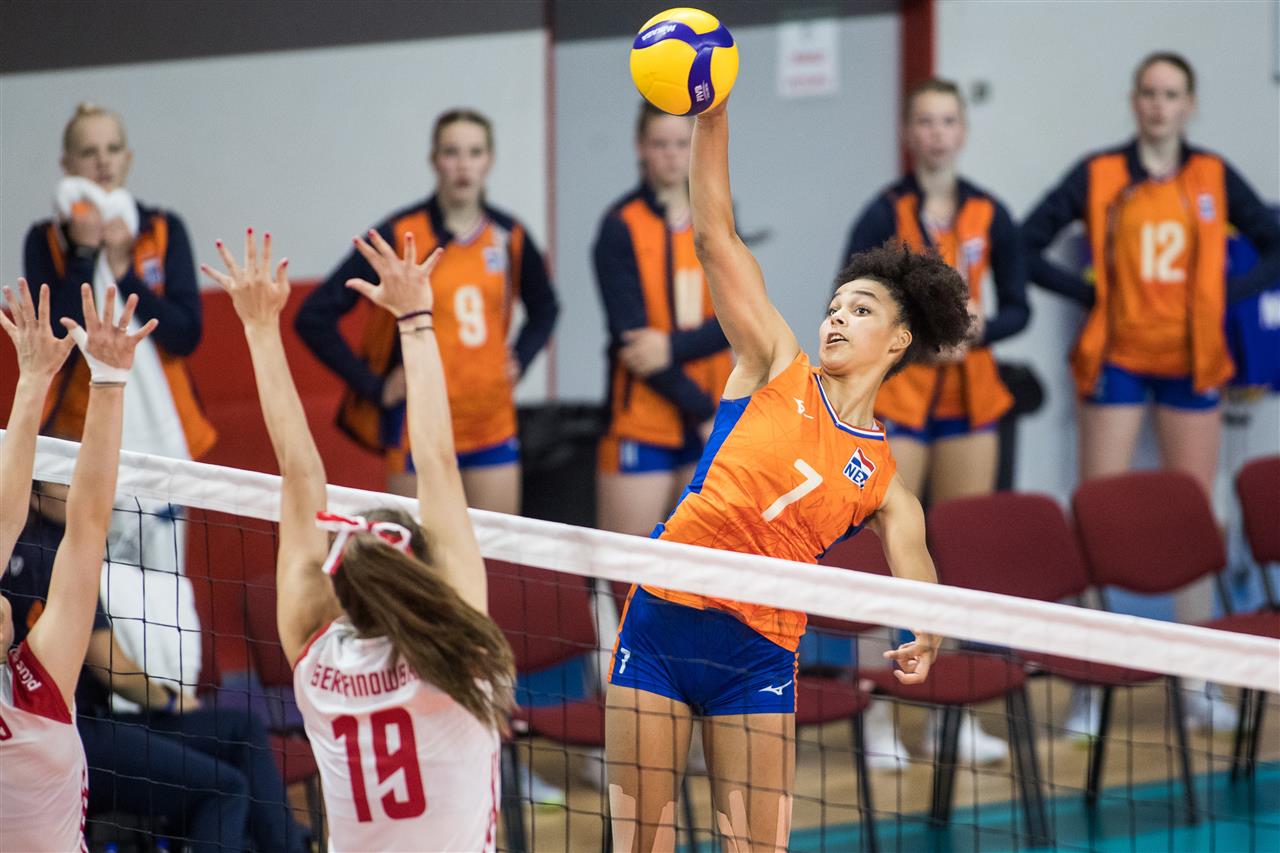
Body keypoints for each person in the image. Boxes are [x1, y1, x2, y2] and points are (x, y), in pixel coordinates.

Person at [604, 102, 970, 852]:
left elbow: (917, 567)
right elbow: (715, 238)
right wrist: (712, 115)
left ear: (898, 339)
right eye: (834, 306)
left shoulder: (884, 480)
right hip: (661, 623)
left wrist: (927, 631)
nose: (835, 318)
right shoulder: (775, 364)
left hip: (757, 657)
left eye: (859, 309)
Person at [204, 230, 515, 851]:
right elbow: (437, 461)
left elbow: (299, 477)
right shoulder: (462, 652)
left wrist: (259, 328)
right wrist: (416, 319)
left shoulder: (316, 657)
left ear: (342, 588)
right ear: (428, 576)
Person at [1023, 52, 1280, 734]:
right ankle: (1090, 683)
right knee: (1096, 514)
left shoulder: (1213, 174)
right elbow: (1024, 242)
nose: (1159, 105)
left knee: (1193, 518)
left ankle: (1196, 681)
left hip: (1192, 359)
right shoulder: (1100, 172)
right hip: (1117, 358)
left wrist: (1229, 294)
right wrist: (1086, 292)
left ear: (1189, 104)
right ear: (1134, 101)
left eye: (1171, 94)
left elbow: (1274, 242)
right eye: (1149, 93)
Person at [841, 77, 1029, 766]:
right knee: (889, 553)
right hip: (902, 400)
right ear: (908, 132)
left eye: (948, 120)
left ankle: (956, 718)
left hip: (971, 404)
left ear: (963, 131)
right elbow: (850, 298)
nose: (937, 133)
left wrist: (978, 331)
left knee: (959, 557)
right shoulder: (883, 211)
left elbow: (1020, 306)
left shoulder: (990, 211)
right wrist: (921, 336)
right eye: (925, 121)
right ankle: (876, 716)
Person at [296, 108, 560, 513]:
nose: (463, 165)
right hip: (417, 423)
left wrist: (520, 358)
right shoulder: (402, 233)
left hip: (489, 420)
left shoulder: (509, 236)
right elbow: (313, 316)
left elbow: (546, 308)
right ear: (434, 160)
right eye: (451, 152)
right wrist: (374, 385)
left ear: (489, 160)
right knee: (420, 549)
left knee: (492, 548)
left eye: (474, 152)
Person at [1, 280, 151, 851]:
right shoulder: (37, 692)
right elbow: (71, 527)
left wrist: (45, 380)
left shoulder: (35, 684)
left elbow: (81, 529)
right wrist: (100, 382)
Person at [23, 103, 215, 461]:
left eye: (112, 149)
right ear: (67, 164)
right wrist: (83, 255)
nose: (103, 162)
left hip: (170, 429)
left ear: (127, 159)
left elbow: (186, 335)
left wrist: (125, 273)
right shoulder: (45, 239)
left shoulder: (162, 228)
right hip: (75, 434)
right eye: (88, 152)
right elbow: (52, 344)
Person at [595, 102, 731, 537]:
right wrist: (701, 408)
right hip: (643, 418)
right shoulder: (620, 226)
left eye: (680, 143)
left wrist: (670, 348)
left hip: (713, 414)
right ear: (640, 147)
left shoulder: (718, 215)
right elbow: (635, 347)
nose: (672, 155)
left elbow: (736, 318)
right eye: (660, 144)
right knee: (627, 564)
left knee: (700, 563)